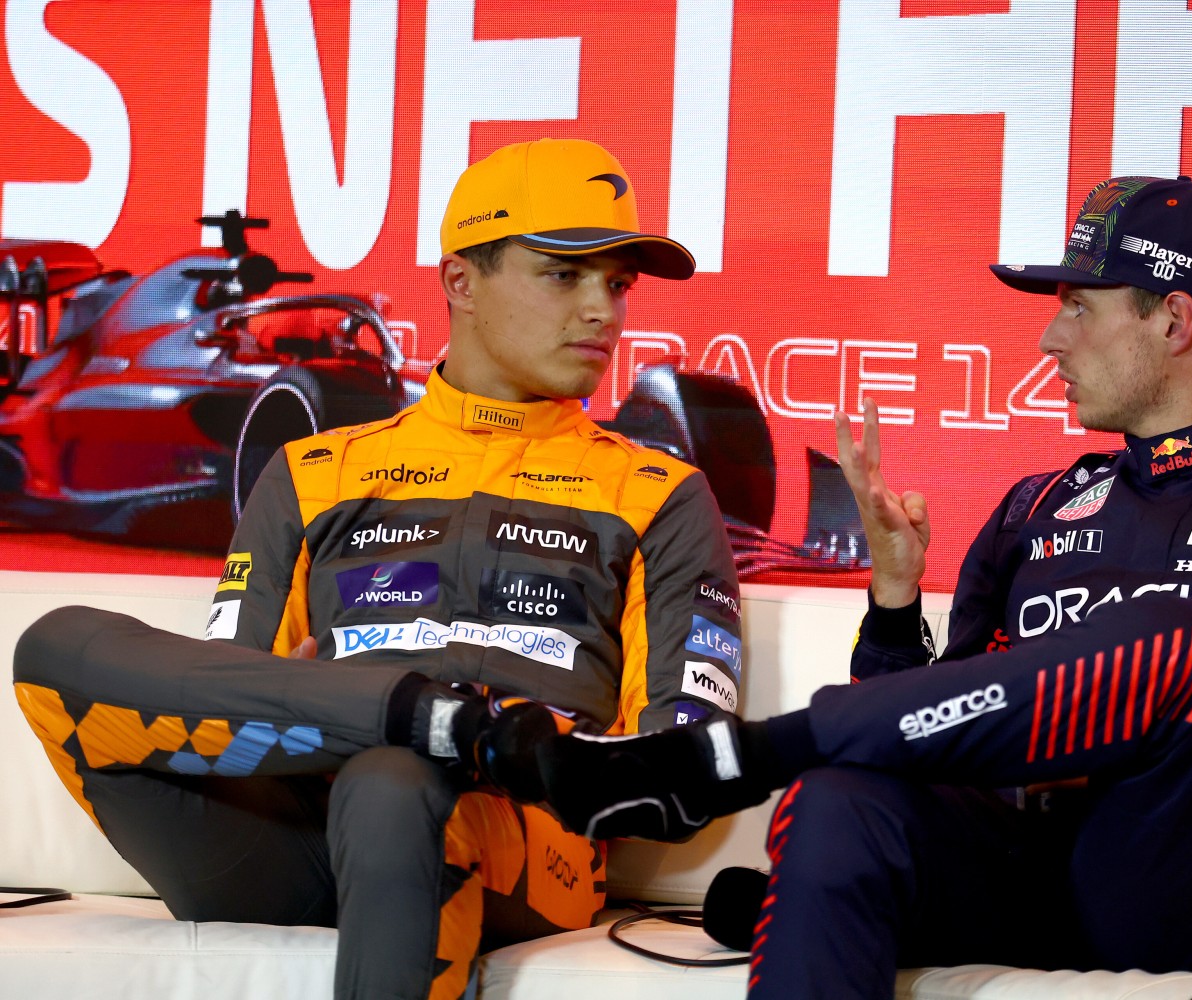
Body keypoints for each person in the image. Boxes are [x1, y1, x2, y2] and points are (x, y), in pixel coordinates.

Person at [512, 176, 1192, 996]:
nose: (1048, 342)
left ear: (1174, 319)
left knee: (1170, 643)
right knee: (841, 795)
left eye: (1076, 306)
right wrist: (894, 611)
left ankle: (736, 752)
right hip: (1024, 863)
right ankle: (774, 759)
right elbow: (941, 725)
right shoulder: (1040, 504)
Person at [12, 138, 743, 1000]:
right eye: (563, 275)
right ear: (461, 283)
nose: (604, 312)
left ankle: (428, 733)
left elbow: (687, 766)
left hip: (516, 835)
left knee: (394, 778)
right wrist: (346, 713)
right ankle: (423, 717)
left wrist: (515, 752)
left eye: (617, 284)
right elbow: (226, 695)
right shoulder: (312, 473)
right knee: (51, 646)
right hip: (288, 829)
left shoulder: (659, 493)